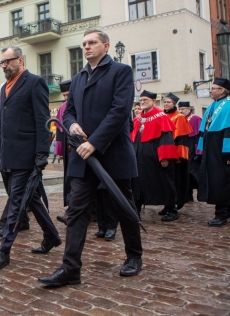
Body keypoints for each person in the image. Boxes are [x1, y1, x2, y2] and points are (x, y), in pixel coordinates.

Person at [39, 29, 143, 287]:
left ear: (106, 46)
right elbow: (68, 111)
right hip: (82, 157)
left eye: (92, 43)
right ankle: (70, 267)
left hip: (113, 153)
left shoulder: (120, 72)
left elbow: (119, 112)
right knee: (77, 211)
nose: (86, 47)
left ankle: (134, 256)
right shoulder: (78, 78)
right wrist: (72, 125)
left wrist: (94, 143)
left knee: (123, 206)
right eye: (84, 43)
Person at [0, 46, 61, 270]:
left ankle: (4, 251)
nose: (4, 66)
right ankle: (51, 236)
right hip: (8, 155)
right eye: (2, 63)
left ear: (20, 60)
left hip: (26, 156)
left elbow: (42, 121)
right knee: (31, 199)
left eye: (8, 61)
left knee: (17, 203)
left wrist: (41, 155)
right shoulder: (3, 89)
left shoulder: (34, 82)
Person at [197, 78, 230, 226]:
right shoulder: (212, 106)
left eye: (213, 88)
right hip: (212, 150)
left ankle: (221, 213)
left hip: (224, 152)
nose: (210, 91)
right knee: (215, 181)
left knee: (222, 182)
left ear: (222, 90)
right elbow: (205, 130)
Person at [0, 86, 30, 238]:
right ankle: (23, 220)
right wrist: (2, 112)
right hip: (2, 158)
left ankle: (6, 223)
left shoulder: (20, 108)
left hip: (19, 157)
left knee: (15, 192)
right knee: (12, 192)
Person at [131, 90, 179, 222]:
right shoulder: (137, 119)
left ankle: (171, 209)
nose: (142, 102)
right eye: (141, 100)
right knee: (137, 185)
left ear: (153, 101)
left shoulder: (161, 117)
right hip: (138, 159)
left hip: (155, 160)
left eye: (145, 100)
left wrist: (164, 157)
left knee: (163, 183)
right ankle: (136, 210)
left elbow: (166, 139)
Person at [162, 93, 193, 212]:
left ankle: (175, 203)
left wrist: (179, 156)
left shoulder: (179, 117)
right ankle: (167, 204)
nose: (165, 104)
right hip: (164, 153)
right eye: (164, 102)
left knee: (176, 180)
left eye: (168, 102)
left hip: (175, 155)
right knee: (165, 181)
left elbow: (182, 139)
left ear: (174, 104)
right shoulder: (163, 116)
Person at [55, 80, 71, 225]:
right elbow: (59, 131)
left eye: (68, 94)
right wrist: (59, 151)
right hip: (68, 150)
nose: (66, 98)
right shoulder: (62, 107)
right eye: (64, 95)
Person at [178, 101, 202, 200]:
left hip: (193, 146)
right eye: (179, 109)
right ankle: (188, 195)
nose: (181, 111)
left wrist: (199, 151)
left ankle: (200, 192)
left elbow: (199, 136)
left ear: (189, 109)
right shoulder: (180, 119)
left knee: (193, 171)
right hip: (184, 145)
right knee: (185, 172)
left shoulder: (196, 119)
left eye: (183, 109)